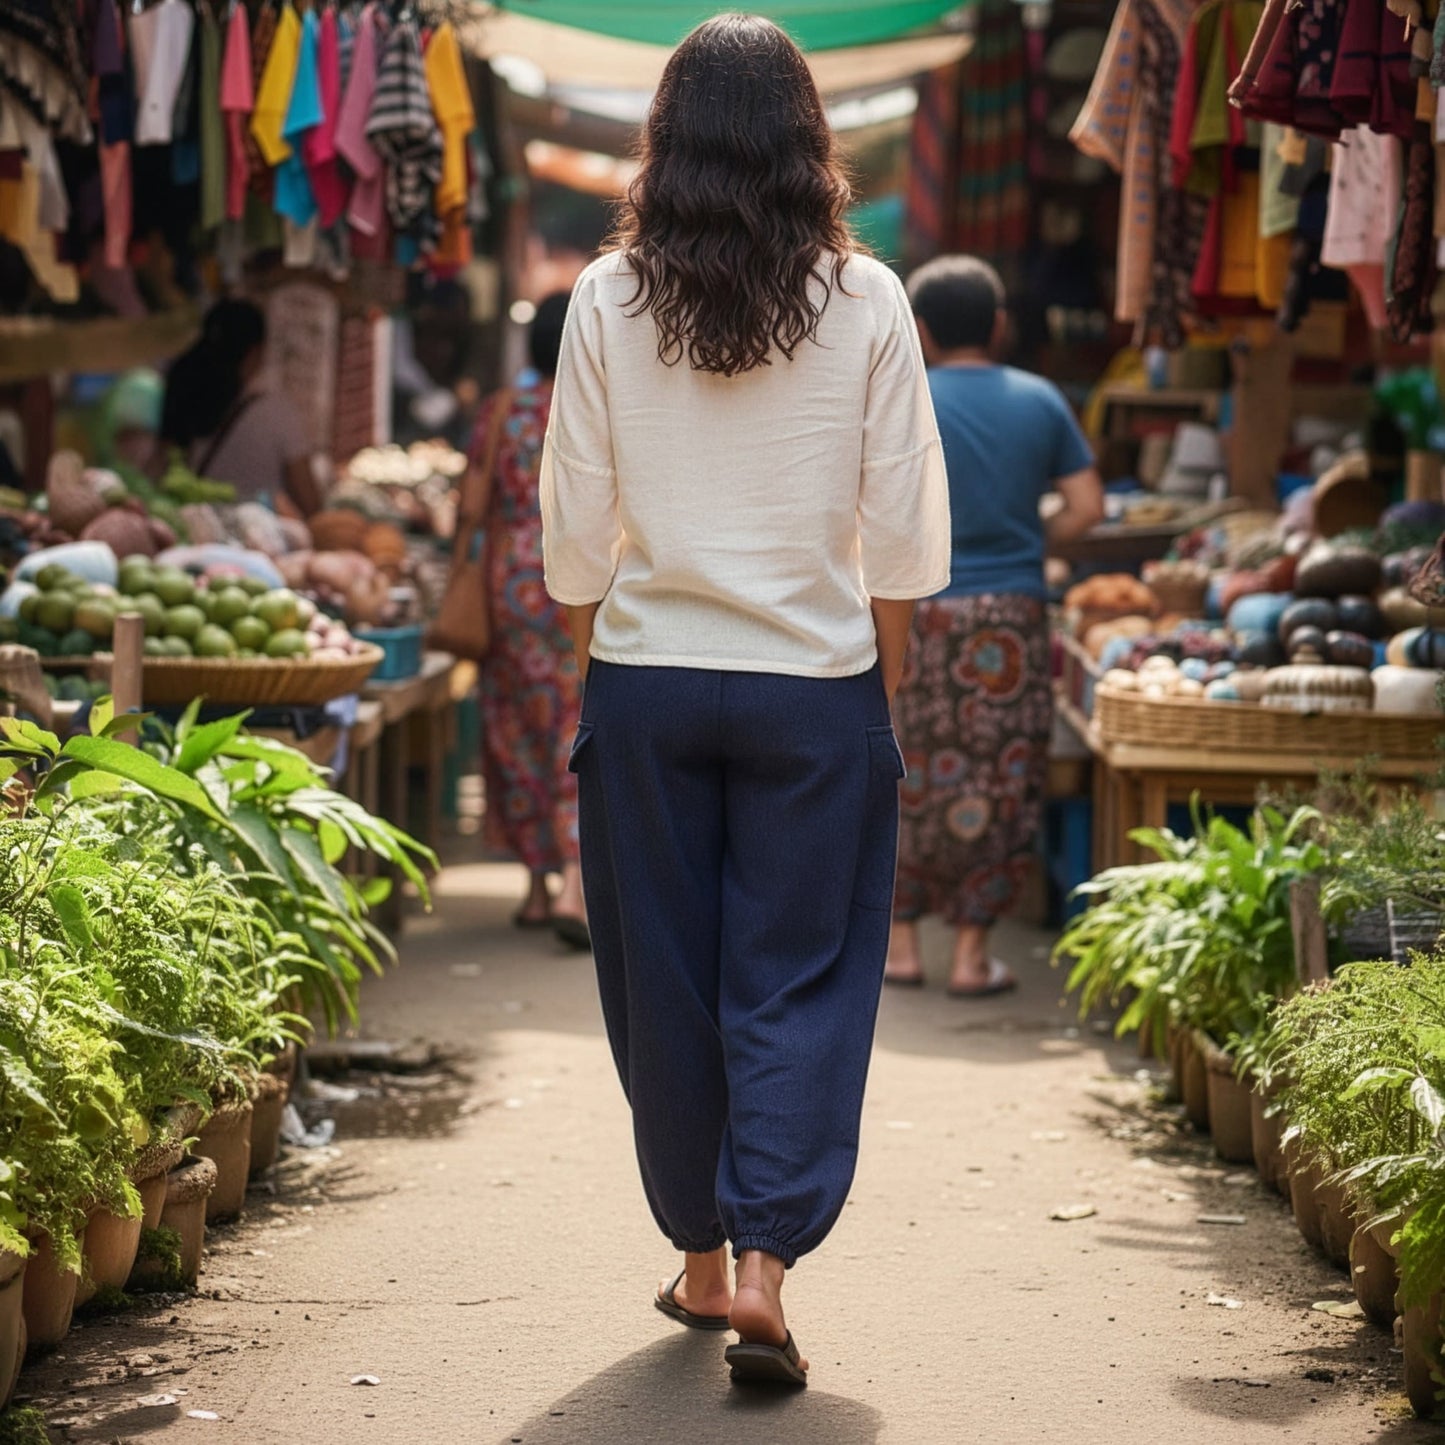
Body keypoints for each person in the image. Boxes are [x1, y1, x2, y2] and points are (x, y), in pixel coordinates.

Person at [540, 13, 949, 1388]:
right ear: (808, 142)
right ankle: (765, 1265)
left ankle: (702, 1260)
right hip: (814, 689)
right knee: (802, 974)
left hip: (647, 683)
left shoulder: (604, 299)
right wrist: (874, 688)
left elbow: (573, 539)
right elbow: (904, 538)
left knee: (664, 978)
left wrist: (603, 647)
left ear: (665, 139)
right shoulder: (869, 299)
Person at [883, 256, 1105, 997]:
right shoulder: (1039, 400)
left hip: (909, 612)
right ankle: (973, 954)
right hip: (1009, 618)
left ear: (918, 329)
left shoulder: (899, 396)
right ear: (1000, 324)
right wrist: (1028, 544)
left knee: (899, 769)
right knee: (1002, 774)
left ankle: (901, 945)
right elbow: (1085, 508)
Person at [473, 292, 589, 950]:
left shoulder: (500, 412)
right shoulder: (593, 404)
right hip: (576, 574)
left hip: (511, 580)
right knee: (575, 722)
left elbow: (470, 501)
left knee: (515, 724)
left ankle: (538, 888)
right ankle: (577, 876)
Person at [159, 298, 322, 517]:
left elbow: (165, 475)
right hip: (263, 537)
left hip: (198, 530)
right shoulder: (277, 413)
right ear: (255, 352)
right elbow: (310, 502)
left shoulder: (183, 398)